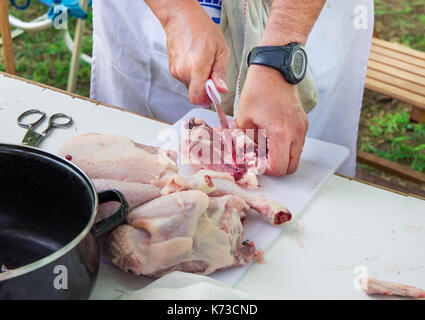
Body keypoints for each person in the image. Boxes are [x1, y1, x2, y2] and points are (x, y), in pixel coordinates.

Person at [90, 0, 374, 177]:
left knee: (298, 172)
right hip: (146, 13)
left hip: (304, 13)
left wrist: (281, 54)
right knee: (136, 173)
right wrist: (175, 11)